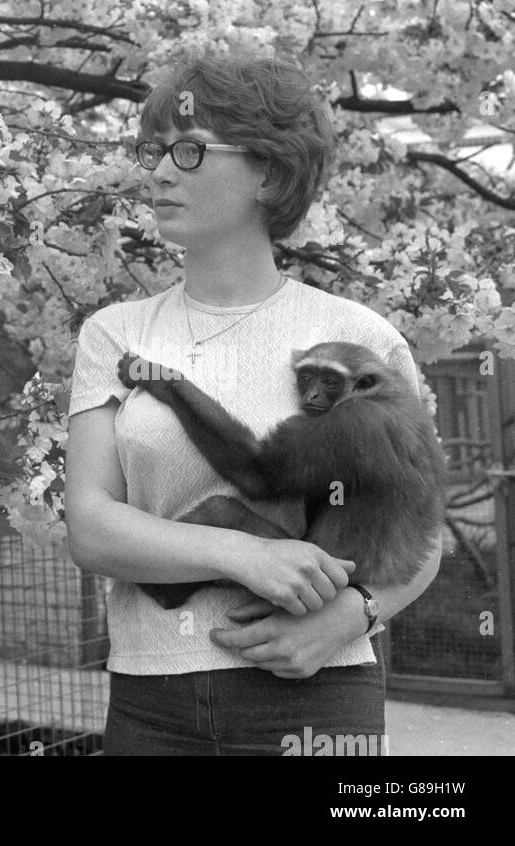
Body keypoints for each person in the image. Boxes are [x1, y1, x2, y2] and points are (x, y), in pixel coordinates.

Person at [64, 51, 441, 756]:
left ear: (268, 172)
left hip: (316, 697)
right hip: (152, 701)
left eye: (187, 150)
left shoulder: (360, 340)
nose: (158, 172)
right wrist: (239, 553)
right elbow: (89, 528)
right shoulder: (114, 333)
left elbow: (420, 533)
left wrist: (350, 618)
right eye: (154, 151)